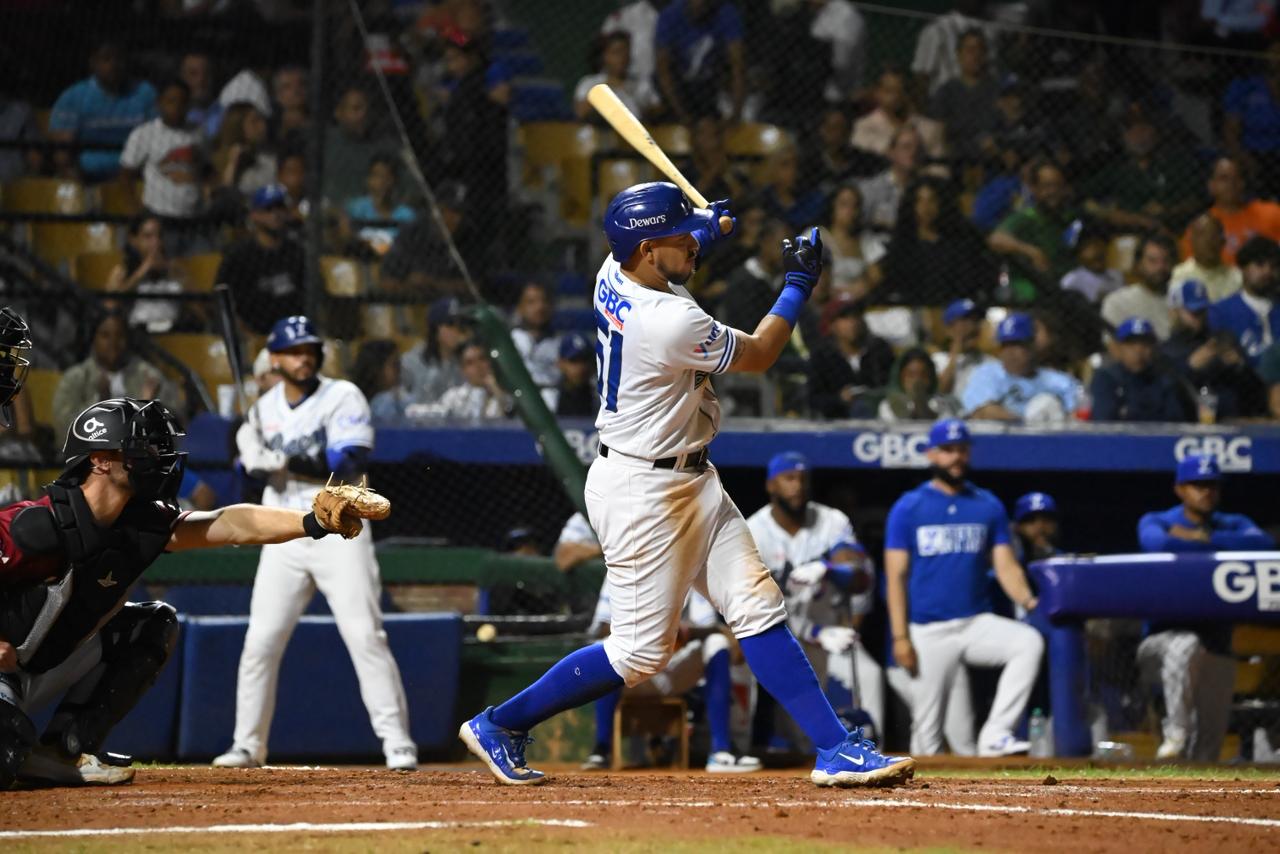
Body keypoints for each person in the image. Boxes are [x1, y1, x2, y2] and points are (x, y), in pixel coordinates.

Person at [458, 182, 916, 788]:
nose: (690, 246)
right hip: (644, 492)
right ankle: (501, 723)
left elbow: (669, 249)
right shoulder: (670, 320)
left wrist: (704, 229)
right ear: (648, 250)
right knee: (639, 653)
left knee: (756, 605)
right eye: (678, 238)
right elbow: (760, 353)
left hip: (689, 476)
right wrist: (798, 285)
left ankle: (836, 749)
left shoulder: (614, 269)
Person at [0, 396, 385, 788]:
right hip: (4, 667)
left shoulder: (140, 522)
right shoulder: (39, 523)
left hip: (39, 666)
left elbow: (229, 523)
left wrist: (312, 520)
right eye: (140, 449)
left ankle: (63, 749)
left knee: (152, 624)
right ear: (100, 460)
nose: (157, 458)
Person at [214, 316, 416, 771]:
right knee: (261, 641)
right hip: (283, 531)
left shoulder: (342, 395)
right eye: (293, 351)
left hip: (339, 531)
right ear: (275, 358)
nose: (303, 358)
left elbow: (348, 460)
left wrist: (284, 460)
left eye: (309, 350)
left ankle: (397, 743)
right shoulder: (262, 410)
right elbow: (244, 486)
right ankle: (247, 745)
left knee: (364, 634)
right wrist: (245, 459)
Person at [885, 418, 1044, 757]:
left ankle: (997, 734)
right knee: (926, 735)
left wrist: (1030, 601)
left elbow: (1005, 566)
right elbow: (895, 575)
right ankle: (917, 793)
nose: (956, 457)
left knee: (1028, 642)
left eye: (962, 450)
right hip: (928, 629)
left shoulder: (987, 504)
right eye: (947, 450)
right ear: (931, 454)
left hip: (975, 622)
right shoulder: (909, 507)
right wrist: (900, 637)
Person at [1136, 454, 1275, 761]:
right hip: (1159, 645)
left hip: (1215, 646)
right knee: (1185, 644)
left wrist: (1201, 537)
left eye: (1212, 485)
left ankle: (1195, 779)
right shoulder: (1157, 520)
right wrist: (1220, 543)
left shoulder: (1233, 522)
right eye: (1197, 485)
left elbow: (1264, 544)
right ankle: (1176, 733)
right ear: (1180, 489)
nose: (1206, 491)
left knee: (1209, 747)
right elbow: (1159, 544)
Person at [745, 452, 885, 740]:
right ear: (771, 485)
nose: (797, 485)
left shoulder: (831, 520)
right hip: (784, 637)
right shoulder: (753, 531)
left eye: (803, 479)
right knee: (801, 731)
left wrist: (829, 568)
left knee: (870, 676)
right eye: (789, 478)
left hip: (834, 633)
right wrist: (813, 632)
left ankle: (872, 751)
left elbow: (859, 577)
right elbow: (753, 606)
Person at [581, 570, 758, 773]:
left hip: (676, 667)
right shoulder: (623, 566)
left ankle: (721, 751)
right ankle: (601, 749)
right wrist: (647, 629)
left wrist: (682, 630)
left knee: (717, 643)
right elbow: (602, 628)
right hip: (636, 667)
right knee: (605, 647)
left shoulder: (690, 564)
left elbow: (709, 627)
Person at [876, 175, 993, 305]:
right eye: (919, 201)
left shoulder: (961, 243)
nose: (925, 208)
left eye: (932, 200)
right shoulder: (902, 245)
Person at [52, 313, 174, 437]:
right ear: (93, 340)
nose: (113, 342)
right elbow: (64, 430)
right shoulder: (75, 378)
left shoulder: (148, 376)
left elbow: (171, 427)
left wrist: (146, 407)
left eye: (120, 336)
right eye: (105, 335)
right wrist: (99, 402)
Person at [48, 43, 156, 181]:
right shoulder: (73, 97)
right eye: (106, 59)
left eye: (119, 59)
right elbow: (62, 154)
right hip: (87, 178)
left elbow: (159, 139)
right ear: (93, 63)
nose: (114, 65)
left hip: (137, 177)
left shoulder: (145, 93)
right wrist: (77, 181)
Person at [1081, 112, 1200, 234]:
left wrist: (1169, 210)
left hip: (1176, 230)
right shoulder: (1117, 169)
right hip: (1129, 233)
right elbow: (1084, 199)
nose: (1137, 134)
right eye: (1131, 129)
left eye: (1142, 128)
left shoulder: (1176, 163)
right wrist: (1129, 218)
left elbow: (1196, 200)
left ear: (1155, 132)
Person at [1164, 279, 1267, 420]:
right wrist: (1189, 368)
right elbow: (1163, 396)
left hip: (1232, 421)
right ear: (1174, 312)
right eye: (1193, 312)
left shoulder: (1223, 340)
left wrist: (1240, 366)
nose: (1199, 318)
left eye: (1202, 311)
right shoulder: (1166, 351)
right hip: (1186, 424)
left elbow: (1254, 391)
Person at [215, 184, 306, 334]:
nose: (276, 214)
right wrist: (248, 337)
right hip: (254, 335)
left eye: (280, 208)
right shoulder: (239, 256)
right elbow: (222, 304)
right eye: (268, 209)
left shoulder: (296, 252)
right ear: (254, 215)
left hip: (295, 333)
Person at [988, 159, 1082, 301]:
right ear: (1034, 189)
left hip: (1066, 285)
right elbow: (995, 239)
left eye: (1058, 185)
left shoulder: (1071, 217)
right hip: (1032, 287)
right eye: (1047, 186)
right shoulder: (1027, 217)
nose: (1053, 192)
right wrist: (1032, 251)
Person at [961, 313, 1077, 423]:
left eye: (1017, 344)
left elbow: (1077, 416)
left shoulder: (1061, 382)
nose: (1010, 352)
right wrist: (1028, 424)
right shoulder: (987, 373)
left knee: (1047, 402)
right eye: (1005, 345)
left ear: (1032, 345)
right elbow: (983, 412)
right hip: (1002, 435)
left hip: (1051, 435)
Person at [119, 79, 203, 221]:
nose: (177, 107)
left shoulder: (199, 133)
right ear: (159, 103)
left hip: (194, 215)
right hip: (158, 214)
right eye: (171, 101)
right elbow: (125, 175)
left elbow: (205, 167)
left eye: (182, 102)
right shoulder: (144, 134)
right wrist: (135, 210)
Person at [653, 0, 746, 124]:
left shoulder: (726, 13)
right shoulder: (669, 16)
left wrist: (736, 114)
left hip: (710, 83)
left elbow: (737, 67)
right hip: (678, 84)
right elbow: (663, 71)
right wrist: (682, 115)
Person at [1179, 157, 1280, 265]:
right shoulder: (1201, 229)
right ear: (1211, 186)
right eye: (1223, 178)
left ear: (1243, 183)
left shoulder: (1272, 214)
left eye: (1236, 178)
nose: (1231, 184)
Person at [1090, 317, 1193, 423]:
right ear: (1119, 348)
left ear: (1153, 348)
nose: (1138, 350)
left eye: (1145, 344)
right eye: (1131, 344)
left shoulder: (1165, 378)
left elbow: (1175, 421)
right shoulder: (1107, 378)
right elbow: (1103, 421)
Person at [808, 297, 894, 419]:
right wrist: (840, 399)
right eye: (844, 318)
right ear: (832, 325)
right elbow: (813, 399)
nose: (852, 323)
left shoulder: (879, 350)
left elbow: (892, 383)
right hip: (837, 420)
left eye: (855, 316)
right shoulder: (822, 357)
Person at [928, 29, 1000, 165]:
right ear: (959, 54)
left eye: (980, 50)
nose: (976, 55)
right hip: (956, 157)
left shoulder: (997, 90)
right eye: (970, 50)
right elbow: (938, 131)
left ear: (985, 55)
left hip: (991, 157)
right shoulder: (946, 91)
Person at [1208, 234, 1280, 364]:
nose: (1267, 272)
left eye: (1274, 266)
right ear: (1243, 268)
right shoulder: (1221, 312)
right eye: (1260, 264)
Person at [323, 85, 395, 207]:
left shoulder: (385, 146)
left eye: (367, 110)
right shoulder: (324, 143)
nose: (363, 115)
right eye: (356, 109)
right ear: (338, 112)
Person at [851, 67, 944, 161]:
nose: (896, 97)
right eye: (889, 91)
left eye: (901, 91)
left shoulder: (930, 129)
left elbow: (938, 164)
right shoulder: (863, 128)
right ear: (877, 93)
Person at [407, 339, 512, 420]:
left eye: (482, 359)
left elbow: (512, 413)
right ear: (463, 370)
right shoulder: (455, 397)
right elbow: (414, 412)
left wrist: (497, 391)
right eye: (470, 363)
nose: (478, 366)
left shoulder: (509, 391)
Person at [911, 0, 998, 96]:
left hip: (984, 98)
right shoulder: (936, 29)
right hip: (945, 99)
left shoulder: (993, 29)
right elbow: (921, 74)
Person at [1101, 233, 1177, 341]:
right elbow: (1112, 345)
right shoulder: (1117, 302)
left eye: (1166, 261)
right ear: (1139, 265)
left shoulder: (1182, 299)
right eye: (1152, 261)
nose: (1160, 267)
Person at [817, 184, 885, 301]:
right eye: (844, 204)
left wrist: (863, 286)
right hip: (823, 301)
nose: (850, 211)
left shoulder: (866, 240)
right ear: (832, 207)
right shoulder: (816, 235)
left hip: (858, 301)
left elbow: (876, 277)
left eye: (855, 206)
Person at [400, 297, 473, 406]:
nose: (457, 331)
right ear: (435, 329)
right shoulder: (411, 362)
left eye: (461, 325)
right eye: (451, 324)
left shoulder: (466, 362)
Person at [574, 31, 659, 122]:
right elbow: (581, 112)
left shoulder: (641, 84)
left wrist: (639, 105)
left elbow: (657, 108)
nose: (622, 57)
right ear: (604, 56)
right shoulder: (590, 83)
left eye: (625, 52)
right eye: (616, 52)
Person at [344, 154, 416, 256]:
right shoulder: (357, 208)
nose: (381, 182)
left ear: (395, 181)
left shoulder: (407, 216)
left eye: (386, 177)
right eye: (376, 176)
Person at [211, 101, 277, 201]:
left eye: (262, 119)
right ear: (237, 125)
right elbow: (221, 198)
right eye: (254, 121)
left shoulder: (269, 158)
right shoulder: (217, 160)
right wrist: (232, 165)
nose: (263, 126)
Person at [932, 299, 995, 399]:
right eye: (965, 320)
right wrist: (955, 352)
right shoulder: (937, 360)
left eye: (976, 320)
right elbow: (940, 392)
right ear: (949, 329)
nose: (972, 326)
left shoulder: (991, 363)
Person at [1172, 214, 1242, 303]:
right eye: (1202, 234)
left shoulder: (1237, 278)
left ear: (1223, 241)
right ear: (1191, 240)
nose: (1208, 240)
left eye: (1214, 235)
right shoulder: (1179, 276)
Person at [879, 347, 960, 422]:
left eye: (923, 375)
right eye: (911, 375)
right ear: (901, 377)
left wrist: (920, 401)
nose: (917, 381)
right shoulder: (887, 406)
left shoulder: (943, 404)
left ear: (931, 378)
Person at [509, 282, 560, 391]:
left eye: (544, 301)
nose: (540, 307)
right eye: (531, 302)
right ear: (519, 308)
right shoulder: (510, 341)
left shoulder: (560, 345)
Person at [601, 0, 661, 87]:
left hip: (649, 74)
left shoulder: (649, 12)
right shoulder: (615, 18)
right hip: (624, 75)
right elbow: (605, 44)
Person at [1059, 225, 1123, 305]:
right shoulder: (1071, 281)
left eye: (1094, 242)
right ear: (1078, 257)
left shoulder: (1117, 270)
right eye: (1084, 247)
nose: (1091, 249)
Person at [352, 338, 409, 424]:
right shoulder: (356, 403)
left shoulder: (398, 399)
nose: (400, 370)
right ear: (376, 369)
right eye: (395, 364)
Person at [554, 332, 597, 417]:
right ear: (560, 363)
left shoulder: (603, 398)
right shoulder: (548, 398)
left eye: (585, 360)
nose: (581, 367)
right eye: (574, 361)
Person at [1010, 491, 1059, 565]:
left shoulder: (1066, 562)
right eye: (1031, 519)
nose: (1040, 526)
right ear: (1017, 526)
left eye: (1047, 519)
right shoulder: (1006, 563)